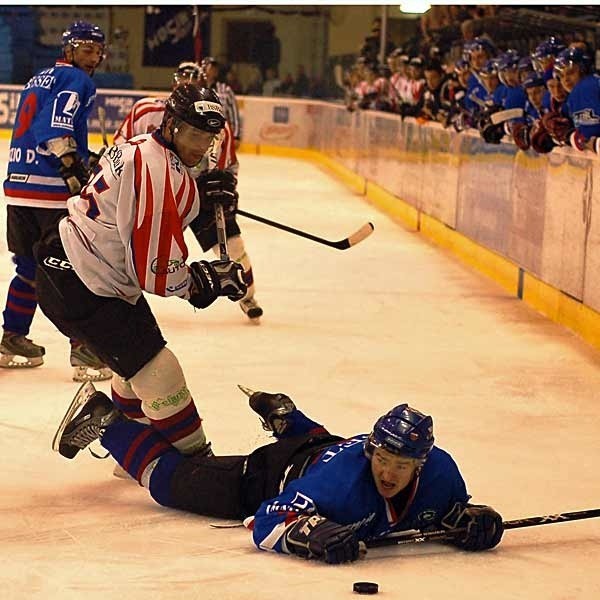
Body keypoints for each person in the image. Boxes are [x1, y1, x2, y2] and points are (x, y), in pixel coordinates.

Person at [53, 383, 504, 564]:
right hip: (272, 474)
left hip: (323, 447)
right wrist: (309, 535)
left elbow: (450, 512)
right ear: (371, 448)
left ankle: (291, 419)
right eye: (381, 458)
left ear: (421, 464)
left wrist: (473, 521)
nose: (387, 471)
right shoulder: (341, 484)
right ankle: (107, 421)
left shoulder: (443, 473)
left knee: (323, 446)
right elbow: (268, 518)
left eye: (400, 465)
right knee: (172, 484)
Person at [35, 83, 248, 458]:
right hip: (84, 282)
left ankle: (125, 447)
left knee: (135, 364)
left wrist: (197, 194)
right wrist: (205, 282)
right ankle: (196, 462)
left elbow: (142, 209)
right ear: (171, 124)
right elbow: (158, 274)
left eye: (208, 136)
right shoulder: (158, 170)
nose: (200, 146)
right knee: (160, 372)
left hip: (77, 265)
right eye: (193, 133)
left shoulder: (141, 145)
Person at [0, 20, 111, 382]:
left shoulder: (39, 78)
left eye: (97, 51)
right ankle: (83, 348)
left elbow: (39, 129)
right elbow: (54, 127)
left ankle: (12, 337)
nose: (92, 58)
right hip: (48, 190)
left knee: (29, 268)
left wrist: (85, 157)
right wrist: (69, 166)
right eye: (86, 49)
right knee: (70, 267)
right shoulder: (79, 81)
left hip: (19, 185)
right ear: (69, 49)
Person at [114, 61, 263, 322]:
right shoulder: (146, 110)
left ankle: (247, 296)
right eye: (183, 82)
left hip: (201, 195)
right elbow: (121, 147)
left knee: (234, 246)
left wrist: (228, 189)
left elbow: (227, 167)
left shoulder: (218, 125)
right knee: (133, 249)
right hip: (158, 192)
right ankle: (119, 300)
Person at [201, 57, 242, 150]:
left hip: (220, 138)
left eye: (215, 68)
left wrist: (236, 136)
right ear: (203, 68)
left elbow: (234, 114)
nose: (214, 70)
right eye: (211, 67)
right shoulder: (196, 89)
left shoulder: (225, 90)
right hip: (200, 137)